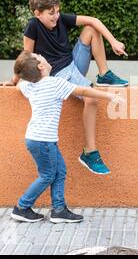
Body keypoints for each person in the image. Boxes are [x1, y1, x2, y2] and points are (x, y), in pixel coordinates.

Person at [0, 0, 128, 174]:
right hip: (58, 74)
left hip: (73, 64)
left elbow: (93, 20)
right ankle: (90, 152)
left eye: (57, 11)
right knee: (91, 98)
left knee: (91, 29)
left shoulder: (60, 19)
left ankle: (104, 72)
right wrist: (14, 80)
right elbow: (26, 55)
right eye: (51, 14)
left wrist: (113, 41)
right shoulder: (33, 26)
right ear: (37, 13)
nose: (56, 17)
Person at [10, 51, 124, 223]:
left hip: (38, 139)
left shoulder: (30, 86)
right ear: (41, 66)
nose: (43, 55)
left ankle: (59, 210)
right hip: (43, 141)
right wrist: (110, 95)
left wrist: (14, 79)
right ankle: (22, 207)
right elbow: (84, 90)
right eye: (40, 56)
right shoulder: (54, 84)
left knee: (60, 171)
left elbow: (19, 85)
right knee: (47, 175)